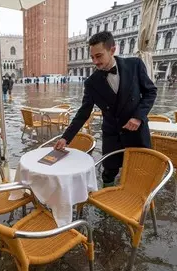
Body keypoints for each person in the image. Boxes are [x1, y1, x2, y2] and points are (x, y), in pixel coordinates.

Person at [54, 31, 156, 187]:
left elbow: (150, 92)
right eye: (92, 57)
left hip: (137, 132)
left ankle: (137, 203)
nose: (95, 61)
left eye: (99, 56)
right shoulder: (91, 82)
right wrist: (66, 138)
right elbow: (83, 112)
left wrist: (138, 116)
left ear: (112, 50)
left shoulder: (134, 65)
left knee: (139, 171)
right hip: (112, 135)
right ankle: (106, 204)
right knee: (108, 173)